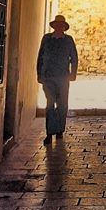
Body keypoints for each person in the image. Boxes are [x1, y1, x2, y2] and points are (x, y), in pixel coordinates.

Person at [36, 14, 78, 145]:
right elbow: (41, 56)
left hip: (63, 77)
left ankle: (59, 129)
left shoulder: (68, 40)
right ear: (54, 26)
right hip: (49, 77)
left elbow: (74, 58)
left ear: (64, 27)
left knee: (62, 104)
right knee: (50, 104)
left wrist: (73, 73)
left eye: (62, 25)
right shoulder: (47, 39)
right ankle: (49, 133)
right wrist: (39, 74)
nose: (59, 27)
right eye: (57, 25)